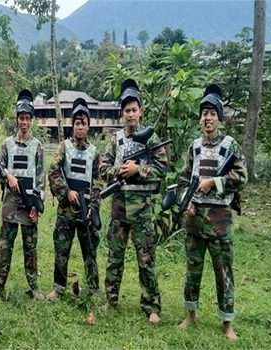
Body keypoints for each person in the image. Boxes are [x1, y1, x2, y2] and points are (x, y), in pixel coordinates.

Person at [177, 84, 247, 341]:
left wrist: (214, 183)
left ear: (219, 118)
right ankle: (190, 315)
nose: (207, 118)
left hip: (220, 217)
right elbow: (185, 178)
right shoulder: (194, 147)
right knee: (193, 267)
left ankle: (227, 322)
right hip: (195, 216)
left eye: (212, 113)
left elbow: (242, 176)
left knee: (223, 270)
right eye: (204, 113)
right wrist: (188, 200)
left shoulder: (230, 146)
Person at [99, 79, 167, 324]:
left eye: (134, 110)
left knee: (146, 259)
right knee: (114, 257)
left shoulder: (150, 138)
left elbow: (163, 168)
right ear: (122, 114)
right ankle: (110, 300)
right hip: (119, 208)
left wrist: (139, 169)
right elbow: (102, 168)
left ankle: (151, 306)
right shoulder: (115, 140)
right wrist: (119, 171)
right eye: (126, 111)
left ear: (141, 112)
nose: (130, 115)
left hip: (142, 210)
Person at [46, 97, 102, 324]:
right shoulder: (64, 147)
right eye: (77, 122)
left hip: (86, 210)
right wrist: (65, 192)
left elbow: (98, 181)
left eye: (84, 123)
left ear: (89, 126)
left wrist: (94, 207)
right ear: (73, 125)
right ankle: (58, 288)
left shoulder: (94, 152)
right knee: (61, 249)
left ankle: (94, 289)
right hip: (67, 209)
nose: (80, 126)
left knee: (90, 251)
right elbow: (53, 171)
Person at [0, 89, 45, 301]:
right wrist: (7, 177)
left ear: (31, 120)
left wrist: (37, 206)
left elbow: (41, 178)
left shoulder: (37, 146)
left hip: (29, 204)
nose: (24, 122)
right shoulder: (7, 144)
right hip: (10, 205)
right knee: (5, 249)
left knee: (30, 249)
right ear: (16, 120)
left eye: (27, 119)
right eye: (21, 118)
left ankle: (34, 288)